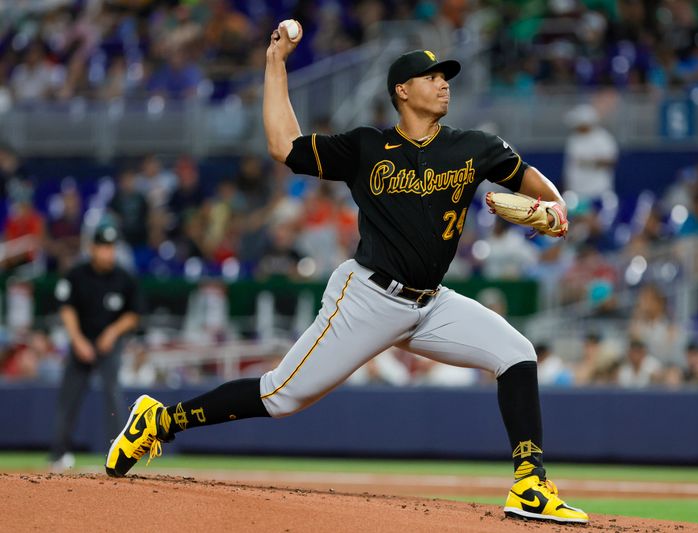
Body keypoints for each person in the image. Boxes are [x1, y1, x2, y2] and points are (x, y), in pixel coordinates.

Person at [105, 23, 588, 525]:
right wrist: (276, 62)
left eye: (447, 76)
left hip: (431, 303)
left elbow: (537, 184)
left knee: (517, 353)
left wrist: (553, 208)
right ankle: (160, 420)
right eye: (432, 76)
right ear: (402, 91)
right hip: (369, 298)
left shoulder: (474, 146)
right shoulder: (366, 148)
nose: (444, 83)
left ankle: (530, 485)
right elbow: (283, 145)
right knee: (279, 395)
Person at [50, 225, 144, 470]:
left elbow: (134, 314)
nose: (107, 253)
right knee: (68, 398)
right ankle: (59, 453)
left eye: (111, 248)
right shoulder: (77, 275)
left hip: (108, 344)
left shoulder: (124, 278)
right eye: (103, 247)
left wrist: (112, 333)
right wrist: (77, 340)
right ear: (92, 248)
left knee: (113, 395)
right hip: (81, 341)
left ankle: (119, 453)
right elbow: (66, 308)